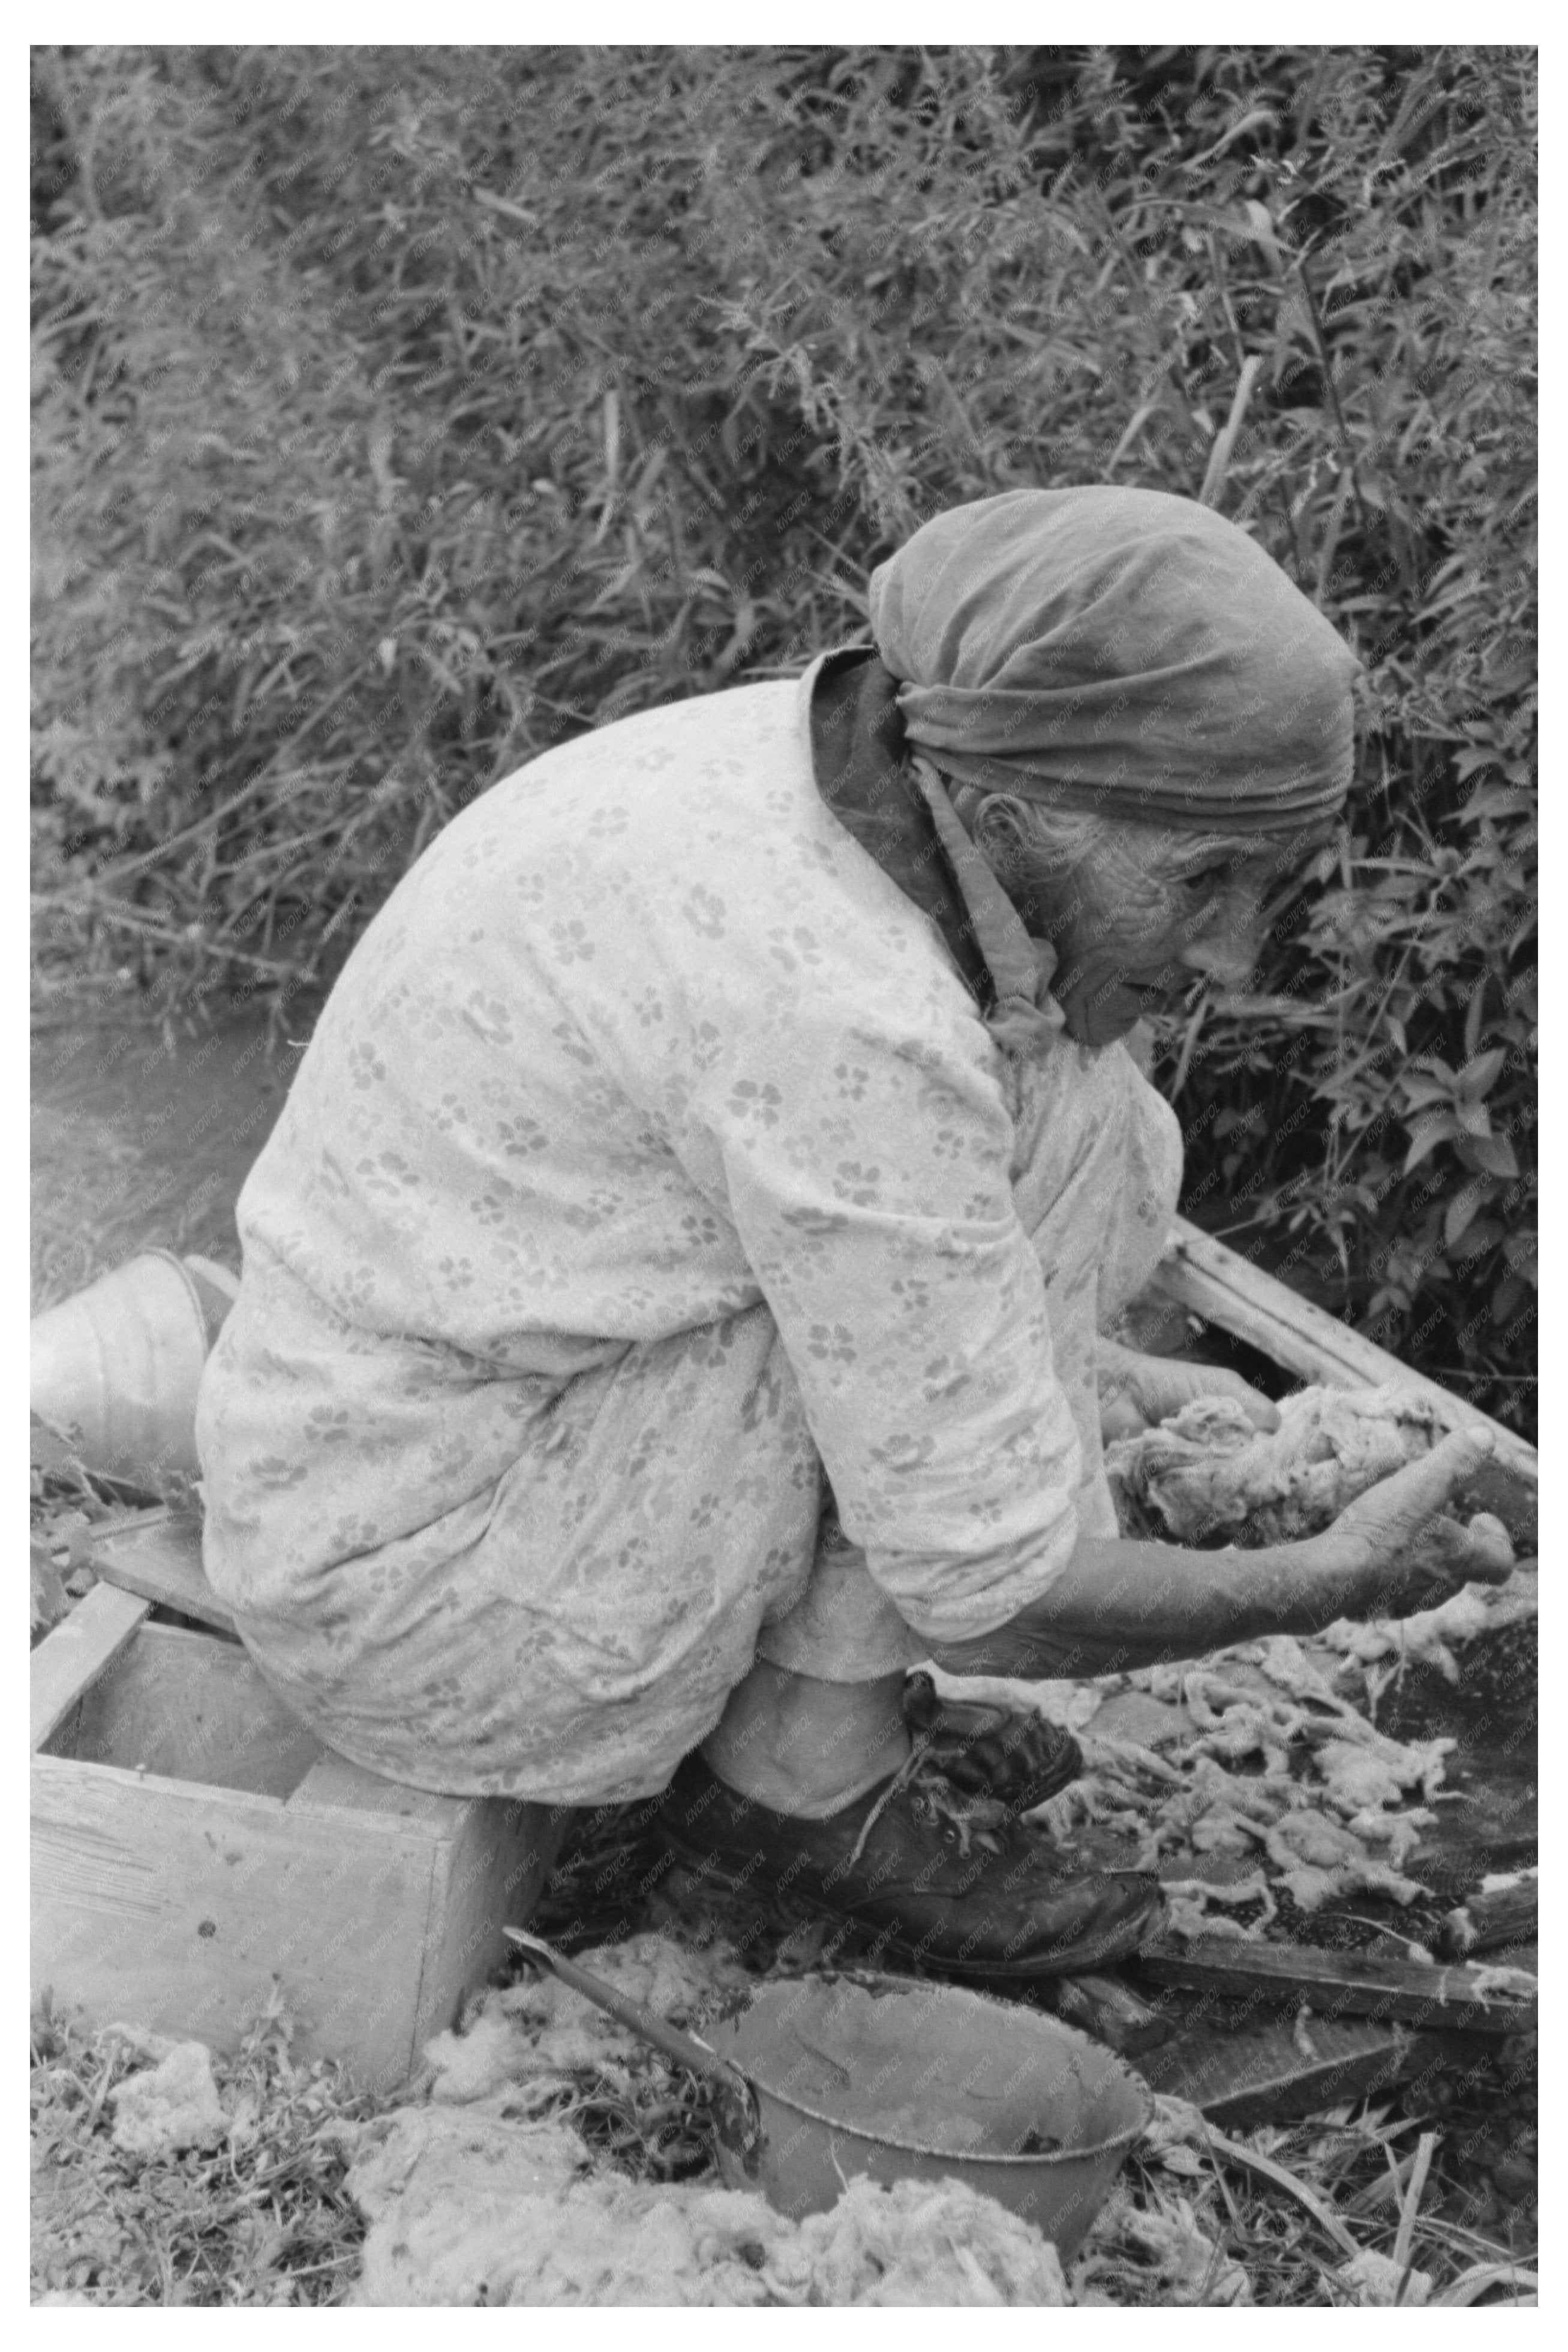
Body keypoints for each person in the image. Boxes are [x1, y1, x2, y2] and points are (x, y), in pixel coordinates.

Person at [196, 487, 1509, 1979]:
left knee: (1073, 1088)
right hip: (414, 1591)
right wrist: (1321, 1581)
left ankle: (821, 1712)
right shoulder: (838, 1009)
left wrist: (1106, 1383)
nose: (1231, 953)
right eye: (1203, 879)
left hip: (455, 1435)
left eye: (1266, 887)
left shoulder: (883, 771)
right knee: (995, 1200)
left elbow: (934, 1273)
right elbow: (996, 1595)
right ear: (1014, 811)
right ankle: (800, 1780)